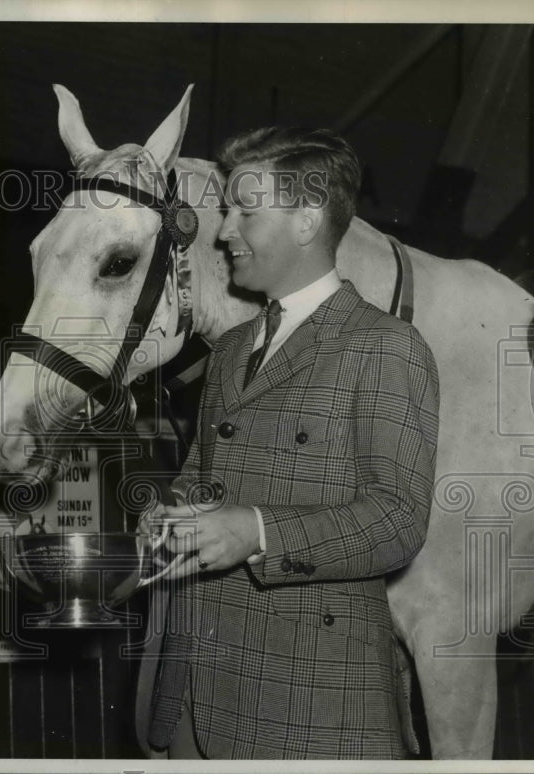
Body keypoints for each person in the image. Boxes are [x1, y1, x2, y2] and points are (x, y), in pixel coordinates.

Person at [145, 128, 440, 759]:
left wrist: (258, 533)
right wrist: (169, 510)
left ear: (306, 221)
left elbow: (397, 520)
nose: (223, 232)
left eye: (244, 212)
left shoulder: (385, 346)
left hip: (311, 707)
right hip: (196, 692)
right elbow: (203, 474)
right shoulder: (228, 351)